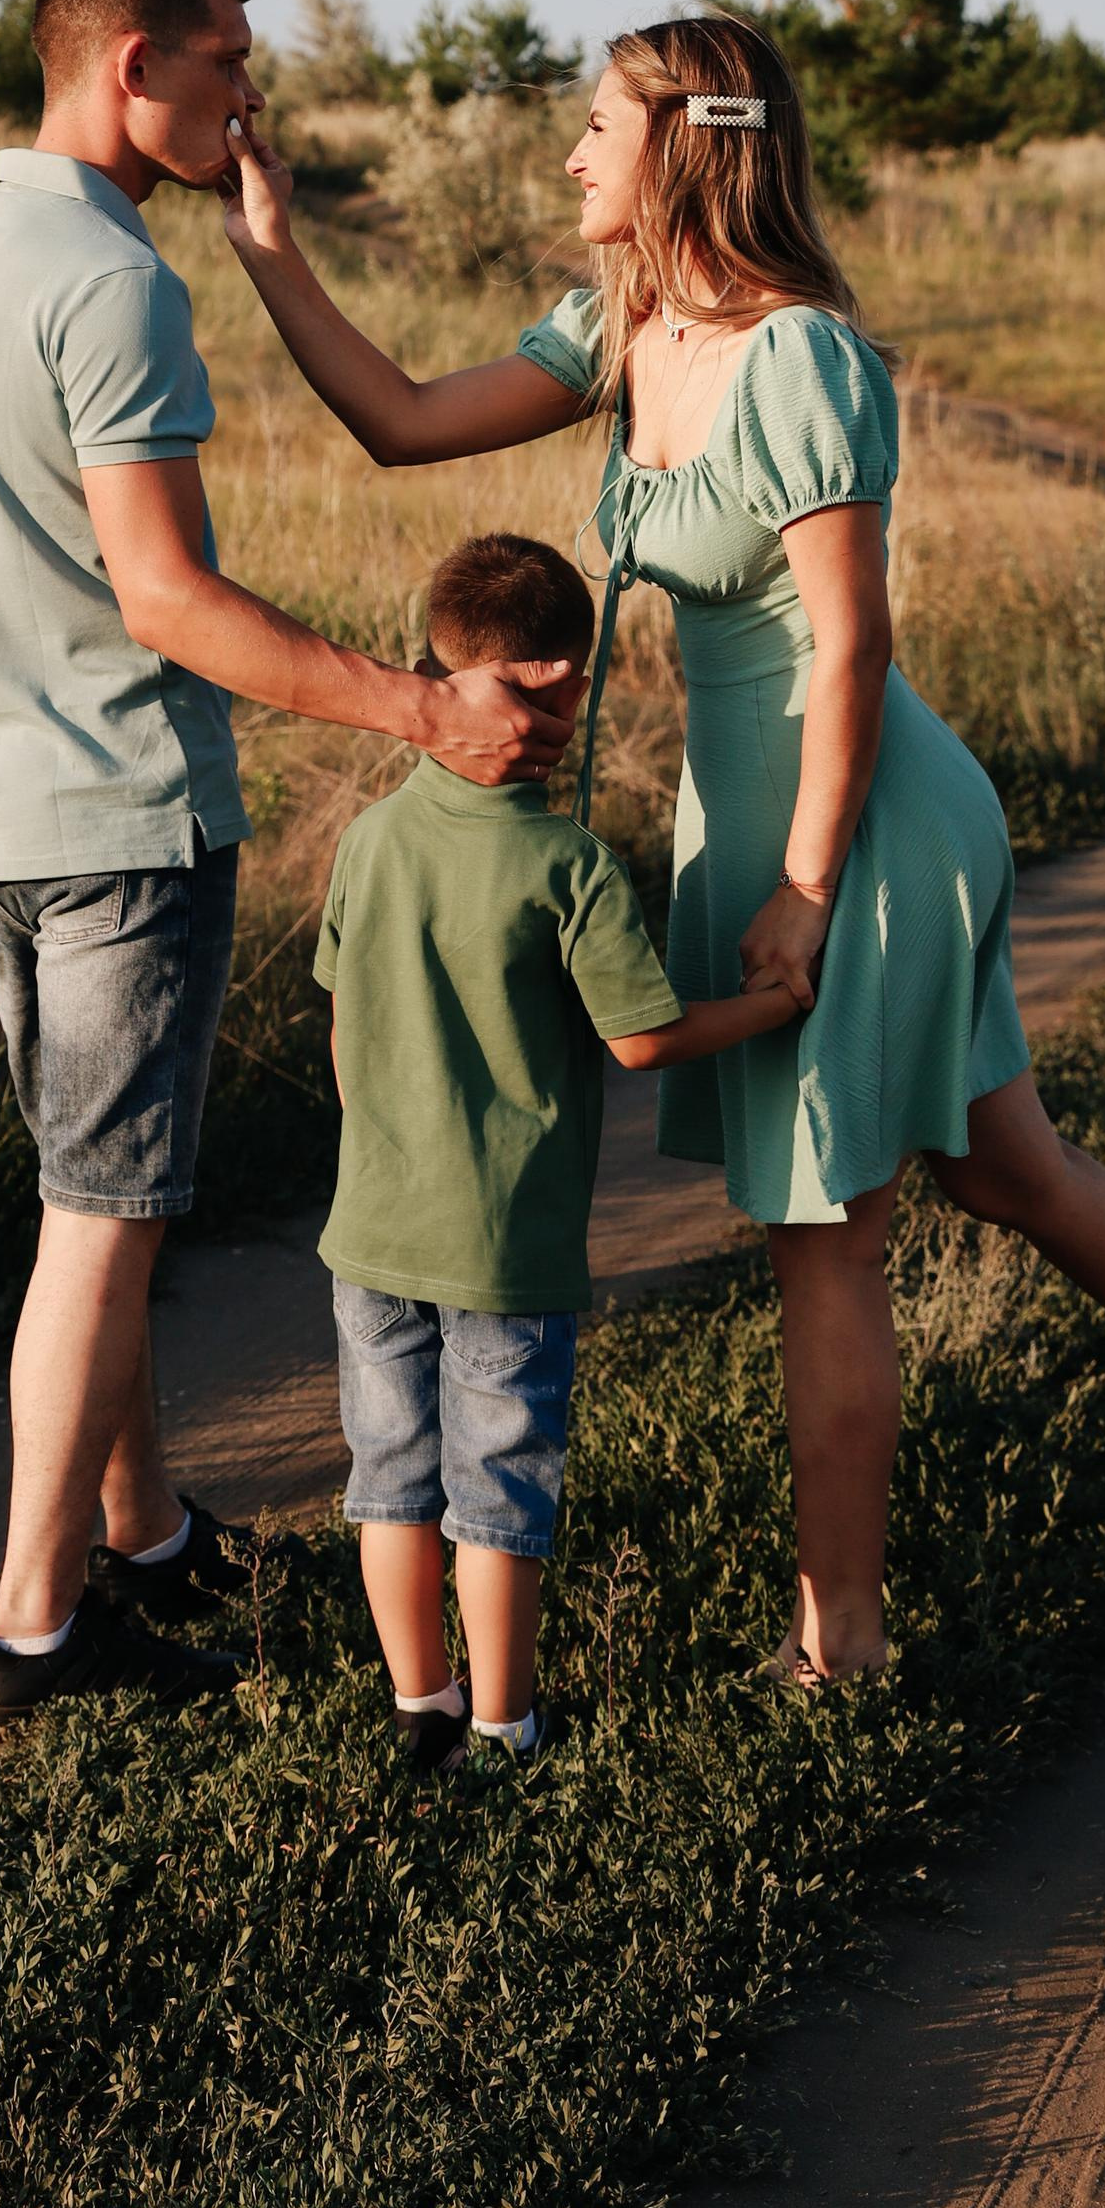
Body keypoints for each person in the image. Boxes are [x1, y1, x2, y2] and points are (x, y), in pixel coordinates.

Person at [225, 7, 1105, 1681]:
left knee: (828, 1236)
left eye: (599, 126)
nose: (571, 154)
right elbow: (397, 415)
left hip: (860, 821)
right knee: (1001, 1165)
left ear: (686, 141)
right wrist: (270, 251)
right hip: (764, 813)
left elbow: (853, 645)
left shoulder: (804, 360)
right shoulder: (618, 325)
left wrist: (809, 889)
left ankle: (842, 1647)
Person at [0, 0, 583, 1735]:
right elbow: (169, 599)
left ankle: (149, 1532)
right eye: (231, 64)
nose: (251, 98)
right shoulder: (113, 286)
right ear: (135, 67)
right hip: (116, 816)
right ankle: (37, 1625)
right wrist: (422, 705)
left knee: (89, 1200)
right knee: (99, 1220)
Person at [318, 527, 804, 1773]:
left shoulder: (369, 842)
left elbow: (343, 1001)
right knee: (501, 1483)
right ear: (571, 687)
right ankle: (505, 1724)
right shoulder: (569, 865)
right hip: (509, 1242)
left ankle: (416, 1707)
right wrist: (770, 1003)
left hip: (369, 1229)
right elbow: (640, 1043)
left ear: (438, 658)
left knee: (392, 1480)